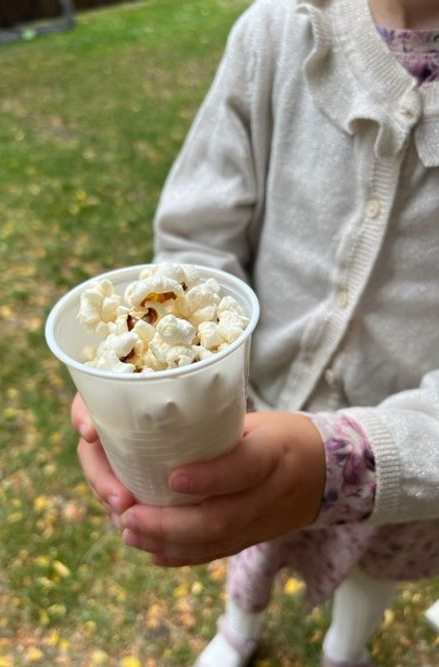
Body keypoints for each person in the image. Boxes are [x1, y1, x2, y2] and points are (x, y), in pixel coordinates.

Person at [72, 0, 439, 665]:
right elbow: (195, 239)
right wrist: (169, 359)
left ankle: (346, 647)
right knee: (252, 540)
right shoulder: (276, 34)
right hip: (260, 407)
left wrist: (351, 462)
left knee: (375, 562)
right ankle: (239, 626)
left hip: (411, 453)